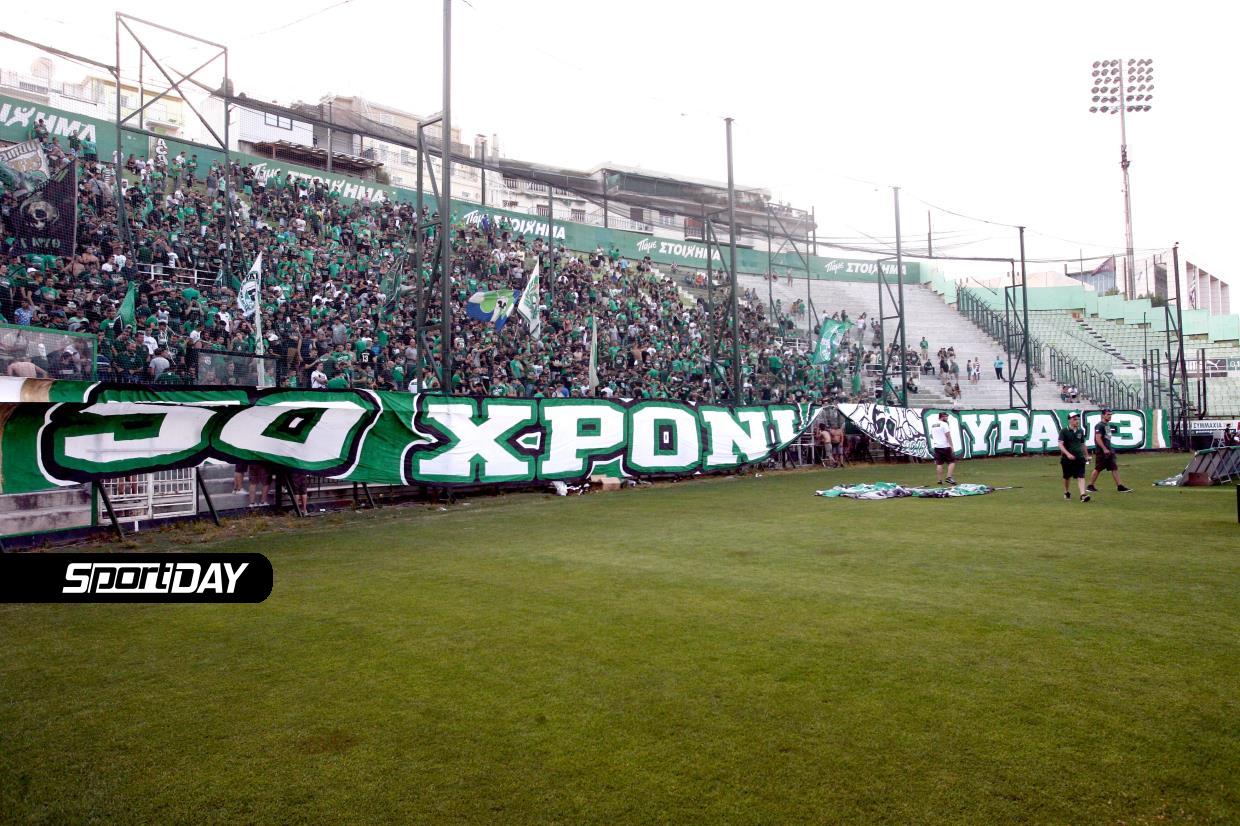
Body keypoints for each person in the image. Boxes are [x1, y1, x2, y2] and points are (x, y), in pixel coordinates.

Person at [1087, 409, 1132, 493]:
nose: (1110, 416)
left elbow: (1107, 437)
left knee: (1114, 467)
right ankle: (1090, 486)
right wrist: (1104, 449)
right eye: (1108, 414)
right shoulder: (1099, 426)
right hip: (1102, 451)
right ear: (1103, 415)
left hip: (1108, 450)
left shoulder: (1107, 425)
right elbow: (1098, 438)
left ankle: (1120, 486)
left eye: (1111, 414)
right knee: (1098, 468)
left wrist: (1109, 449)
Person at [1058, 412, 1091, 502]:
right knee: (1067, 476)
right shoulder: (1064, 431)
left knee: (1081, 476)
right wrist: (1068, 454)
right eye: (1074, 419)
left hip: (1079, 457)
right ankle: (1066, 492)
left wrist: (1086, 455)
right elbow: (1060, 444)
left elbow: (1083, 444)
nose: (1077, 421)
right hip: (1066, 459)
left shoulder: (1080, 431)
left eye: (1077, 419)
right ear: (1069, 420)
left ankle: (1083, 495)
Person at [929, 411, 956, 485]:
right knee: (952, 462)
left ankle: (939, 480)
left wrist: (937, 439)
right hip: (945, 446)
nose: (947, 418)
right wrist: (951, 446)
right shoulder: (944, 424)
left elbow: (931, 435)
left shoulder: (933, 425)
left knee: (939, 463)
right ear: (943, 417)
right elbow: (948, 435)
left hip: (937, 446)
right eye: (946, 417)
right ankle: (949, 477)